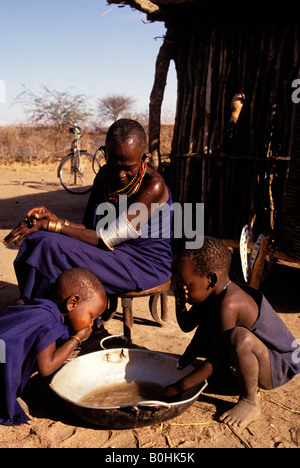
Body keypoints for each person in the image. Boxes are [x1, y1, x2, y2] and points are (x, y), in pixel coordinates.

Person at [3, 119, 173, 301]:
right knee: (37, 240)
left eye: (128, 168)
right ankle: (38, 308)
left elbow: (107, 238)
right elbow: (90, 229)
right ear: (104, 153)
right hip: (110, 253)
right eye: (115, 165)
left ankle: (44, 313)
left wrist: (53, 226)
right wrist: (55, 221)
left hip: (142, 264)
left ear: (144, 158)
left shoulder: (153, 186)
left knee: (50, 246)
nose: (120, 175)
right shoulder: (103, 178)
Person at [162, 237, 300, 428]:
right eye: (178, 284)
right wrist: (180, 302)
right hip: (259, 359)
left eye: (187, 285)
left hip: (277, 366)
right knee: (206, 371)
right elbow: (187, 325)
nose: (181, 289)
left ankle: (250, 400)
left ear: (211, 279)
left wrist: (178, 387)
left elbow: (215, 360)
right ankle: (232, 380)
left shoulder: (230, 304)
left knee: (239, 338)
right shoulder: (214, 292)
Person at [0, 267, 107, 426]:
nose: (91, 323)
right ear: (72, 302)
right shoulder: (49, 324)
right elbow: (47, 367)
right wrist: (76, 339)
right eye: (91, 316)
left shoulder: (42, 307)